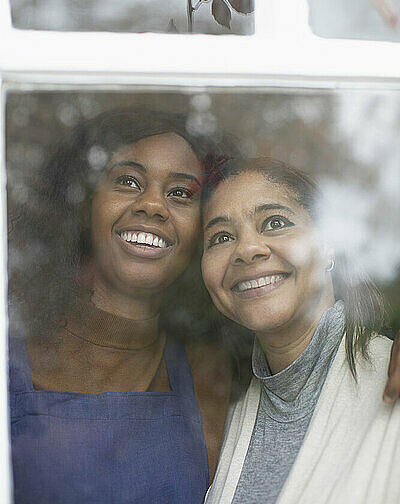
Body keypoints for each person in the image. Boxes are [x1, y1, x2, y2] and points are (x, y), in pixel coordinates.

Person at [8, 107, 234, 504]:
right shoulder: (9, 358)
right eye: (128, 181)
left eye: (180, 193)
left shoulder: (212, 371)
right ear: (84, 206)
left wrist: (378, 342)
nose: (153, 205)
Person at [201, 157, 400, 504]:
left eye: (275, 222)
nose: (246, 250)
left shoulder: (392, 381)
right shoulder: (221, 413)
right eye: (221, 237)